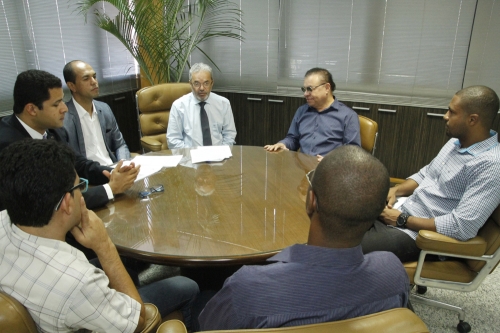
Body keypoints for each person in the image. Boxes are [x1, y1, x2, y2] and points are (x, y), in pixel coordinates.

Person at [198, 145, 409, 330]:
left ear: (311, 201)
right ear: (377, 212)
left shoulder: (247, 287)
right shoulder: (393, 272)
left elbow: (207, 327)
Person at [0, 139, 199, 333]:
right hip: (79, 306)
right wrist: (104, 245)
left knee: (124, 266)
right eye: (80, 187)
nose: (83, 194)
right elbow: (137, 321)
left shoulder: (3, 219)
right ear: (67, 203)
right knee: (186, 285)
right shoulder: (78, 282)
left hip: (45, 299)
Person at [362, 85, 500, 262]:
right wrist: (396, 191)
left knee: (346, 248)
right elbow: (426, 174)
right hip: (402, 211)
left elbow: (462, 227)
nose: (445, 116)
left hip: (422, 236)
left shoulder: (491, 164)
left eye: (452, 112)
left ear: (472, 120)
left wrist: (403, 220)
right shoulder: (456, 143)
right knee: (340, 221)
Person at [0, 69, 138, 210]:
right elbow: (55, 201)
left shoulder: (50, 129)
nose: (64, 108)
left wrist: (110, 173)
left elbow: (77, 162)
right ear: (32, 109)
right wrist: (111, 188)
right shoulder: (9, 147)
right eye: (56, 104)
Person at [264, 68, 361, 162]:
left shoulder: (348, 116)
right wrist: (283, 144)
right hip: (302, 170)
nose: (305, 94)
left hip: (330, 172)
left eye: (310, 89)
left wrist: (332, 161)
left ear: (327, 88)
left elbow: (352, 152)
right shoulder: (302, 111)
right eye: (304, 89)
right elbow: (293, 138)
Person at [63, 60, 131, 165]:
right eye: (86, 78)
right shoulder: (64, 117)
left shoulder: (104, 108)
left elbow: (120, 145)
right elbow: (69, 162)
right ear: (72, 86)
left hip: (113, 169)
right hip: (89, 177)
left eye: (94, 76)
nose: (94, 82)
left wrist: (123, 164)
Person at [167, 63, 237, 148]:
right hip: (190, 158)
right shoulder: (178, 106)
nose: (202, 88)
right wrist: (192, 155)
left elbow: (229, 135)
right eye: (196, 83)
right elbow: (173, 140)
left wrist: (222, 153)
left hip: (218, 156)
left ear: (212, 83)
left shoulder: (223, 103)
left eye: (206, 83)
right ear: (190, 84)